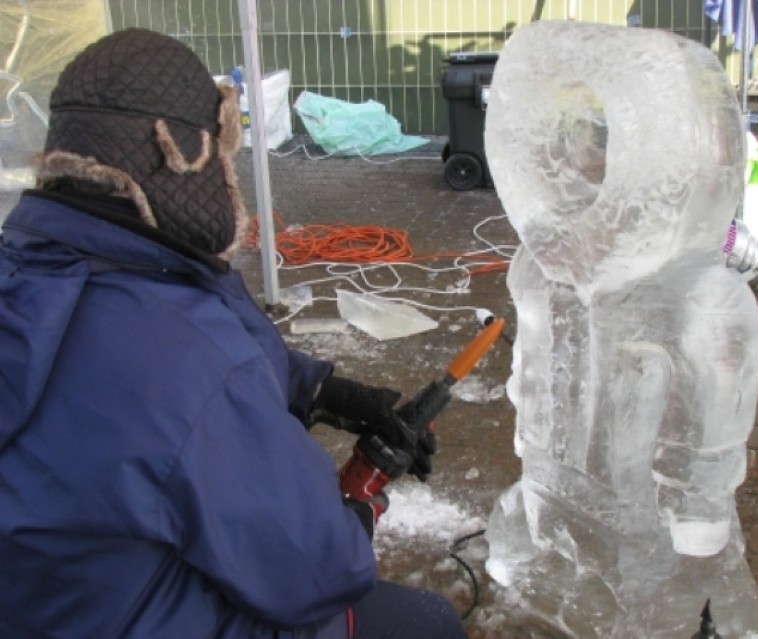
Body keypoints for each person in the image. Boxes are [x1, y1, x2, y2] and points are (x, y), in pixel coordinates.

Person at [0, 28, 465, 639]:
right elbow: (316, 573)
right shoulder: (189, 360)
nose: (227, 172)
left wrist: (319, 389)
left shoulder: (36, 272)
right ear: (180, 154)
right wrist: (357, 512)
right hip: (140, 620)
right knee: (422, 622)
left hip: (52, 603)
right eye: (222, 150)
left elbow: (145, 365)